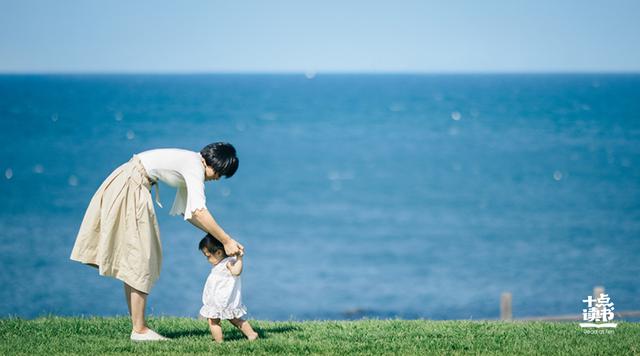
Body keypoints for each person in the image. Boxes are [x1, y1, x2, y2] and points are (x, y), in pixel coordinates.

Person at [70, 143, 244, 341]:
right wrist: (226, 240)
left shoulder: (192, 163)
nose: (217, 178)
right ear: (212, 162)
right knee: (142, 257)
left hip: (131, 182)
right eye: (220, 173)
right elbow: (198, 211)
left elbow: (190, 214)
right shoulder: (195, 166)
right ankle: (140, 330)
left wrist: (224, 240)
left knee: (138, 258)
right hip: (132, 185)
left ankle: (139, 328)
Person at [199, 233, 258, 342]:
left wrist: (240, 258)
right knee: (235, 319)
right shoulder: (222, 263)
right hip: (223, 299)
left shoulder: (228, 262)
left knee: (213, 321)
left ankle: (219, 342)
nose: (207, 259)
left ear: (219, 252)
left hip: (221, 300)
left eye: (208, 256)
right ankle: (251, 334)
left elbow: (236, 272)